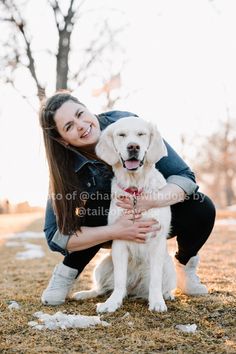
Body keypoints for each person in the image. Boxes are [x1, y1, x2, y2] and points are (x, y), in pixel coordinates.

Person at [39, 91, 216, 306]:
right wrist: (116, 230)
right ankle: (67, 273)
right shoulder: (63, 168)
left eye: (80, 113)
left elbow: (184, 177)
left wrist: (149, 201)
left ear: (87, 109)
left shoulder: (127, 124)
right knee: (95, 204)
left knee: (200, 205)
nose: (81, 125)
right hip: (106, 221)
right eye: (68, 126)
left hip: (152, 210)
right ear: (62, 140)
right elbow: (54, 236)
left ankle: (184, 267)